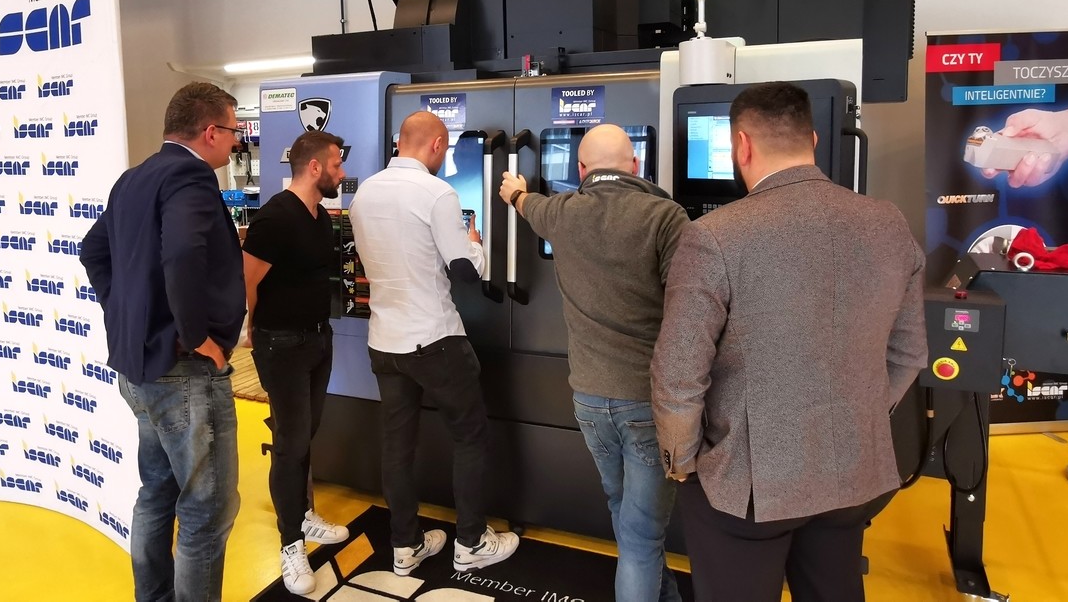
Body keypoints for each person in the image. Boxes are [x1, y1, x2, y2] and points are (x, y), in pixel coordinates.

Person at [651, 82, 928, 602]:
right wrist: (858, 416)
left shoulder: (713, 235)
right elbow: (909, 353)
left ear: (741, 145)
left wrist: (683, 462)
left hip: (748, 482)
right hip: (852, 470)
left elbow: (679, 374)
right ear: (814, 140)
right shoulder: (888, 222)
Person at [497, 124, 688, 602]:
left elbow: (525, 203)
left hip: (588, 400)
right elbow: (690, 311)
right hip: (647, 401)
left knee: (626, 513)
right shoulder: (666, 217)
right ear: (636, 166)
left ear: (581, 170)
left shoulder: (561, 211)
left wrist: (514, 190)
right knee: (643, 534)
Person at [79, 82, 247, 602]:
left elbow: (93, 250)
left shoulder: (134, 178)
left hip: (141, 367)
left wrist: (124, 313)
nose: (237, 142)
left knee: (157, 491)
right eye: (234, 131)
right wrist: (197, 337)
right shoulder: (189, 176)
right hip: (183, 374)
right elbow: (181, 254)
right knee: (206, 509)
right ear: (211, 131)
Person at [349, 111, 520, 576]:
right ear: (438, 144)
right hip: (434, 339)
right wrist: (475, 243)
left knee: (397, 445)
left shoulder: (365, 192)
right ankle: (471, 542)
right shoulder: (437, 192)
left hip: (384, 341)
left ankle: (405, 546)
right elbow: (463, 271)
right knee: (470, 435)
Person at [240, 130, 351, 594]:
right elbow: (246, 281)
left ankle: (302, 514)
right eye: (337, 165)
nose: (342, 173)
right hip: (280, 345)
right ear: (314, 167)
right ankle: (290, 544)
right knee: (289, 444)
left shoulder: (320, 217)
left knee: (304, 436)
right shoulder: (275, 217)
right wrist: (249, 330)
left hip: (318, 340)